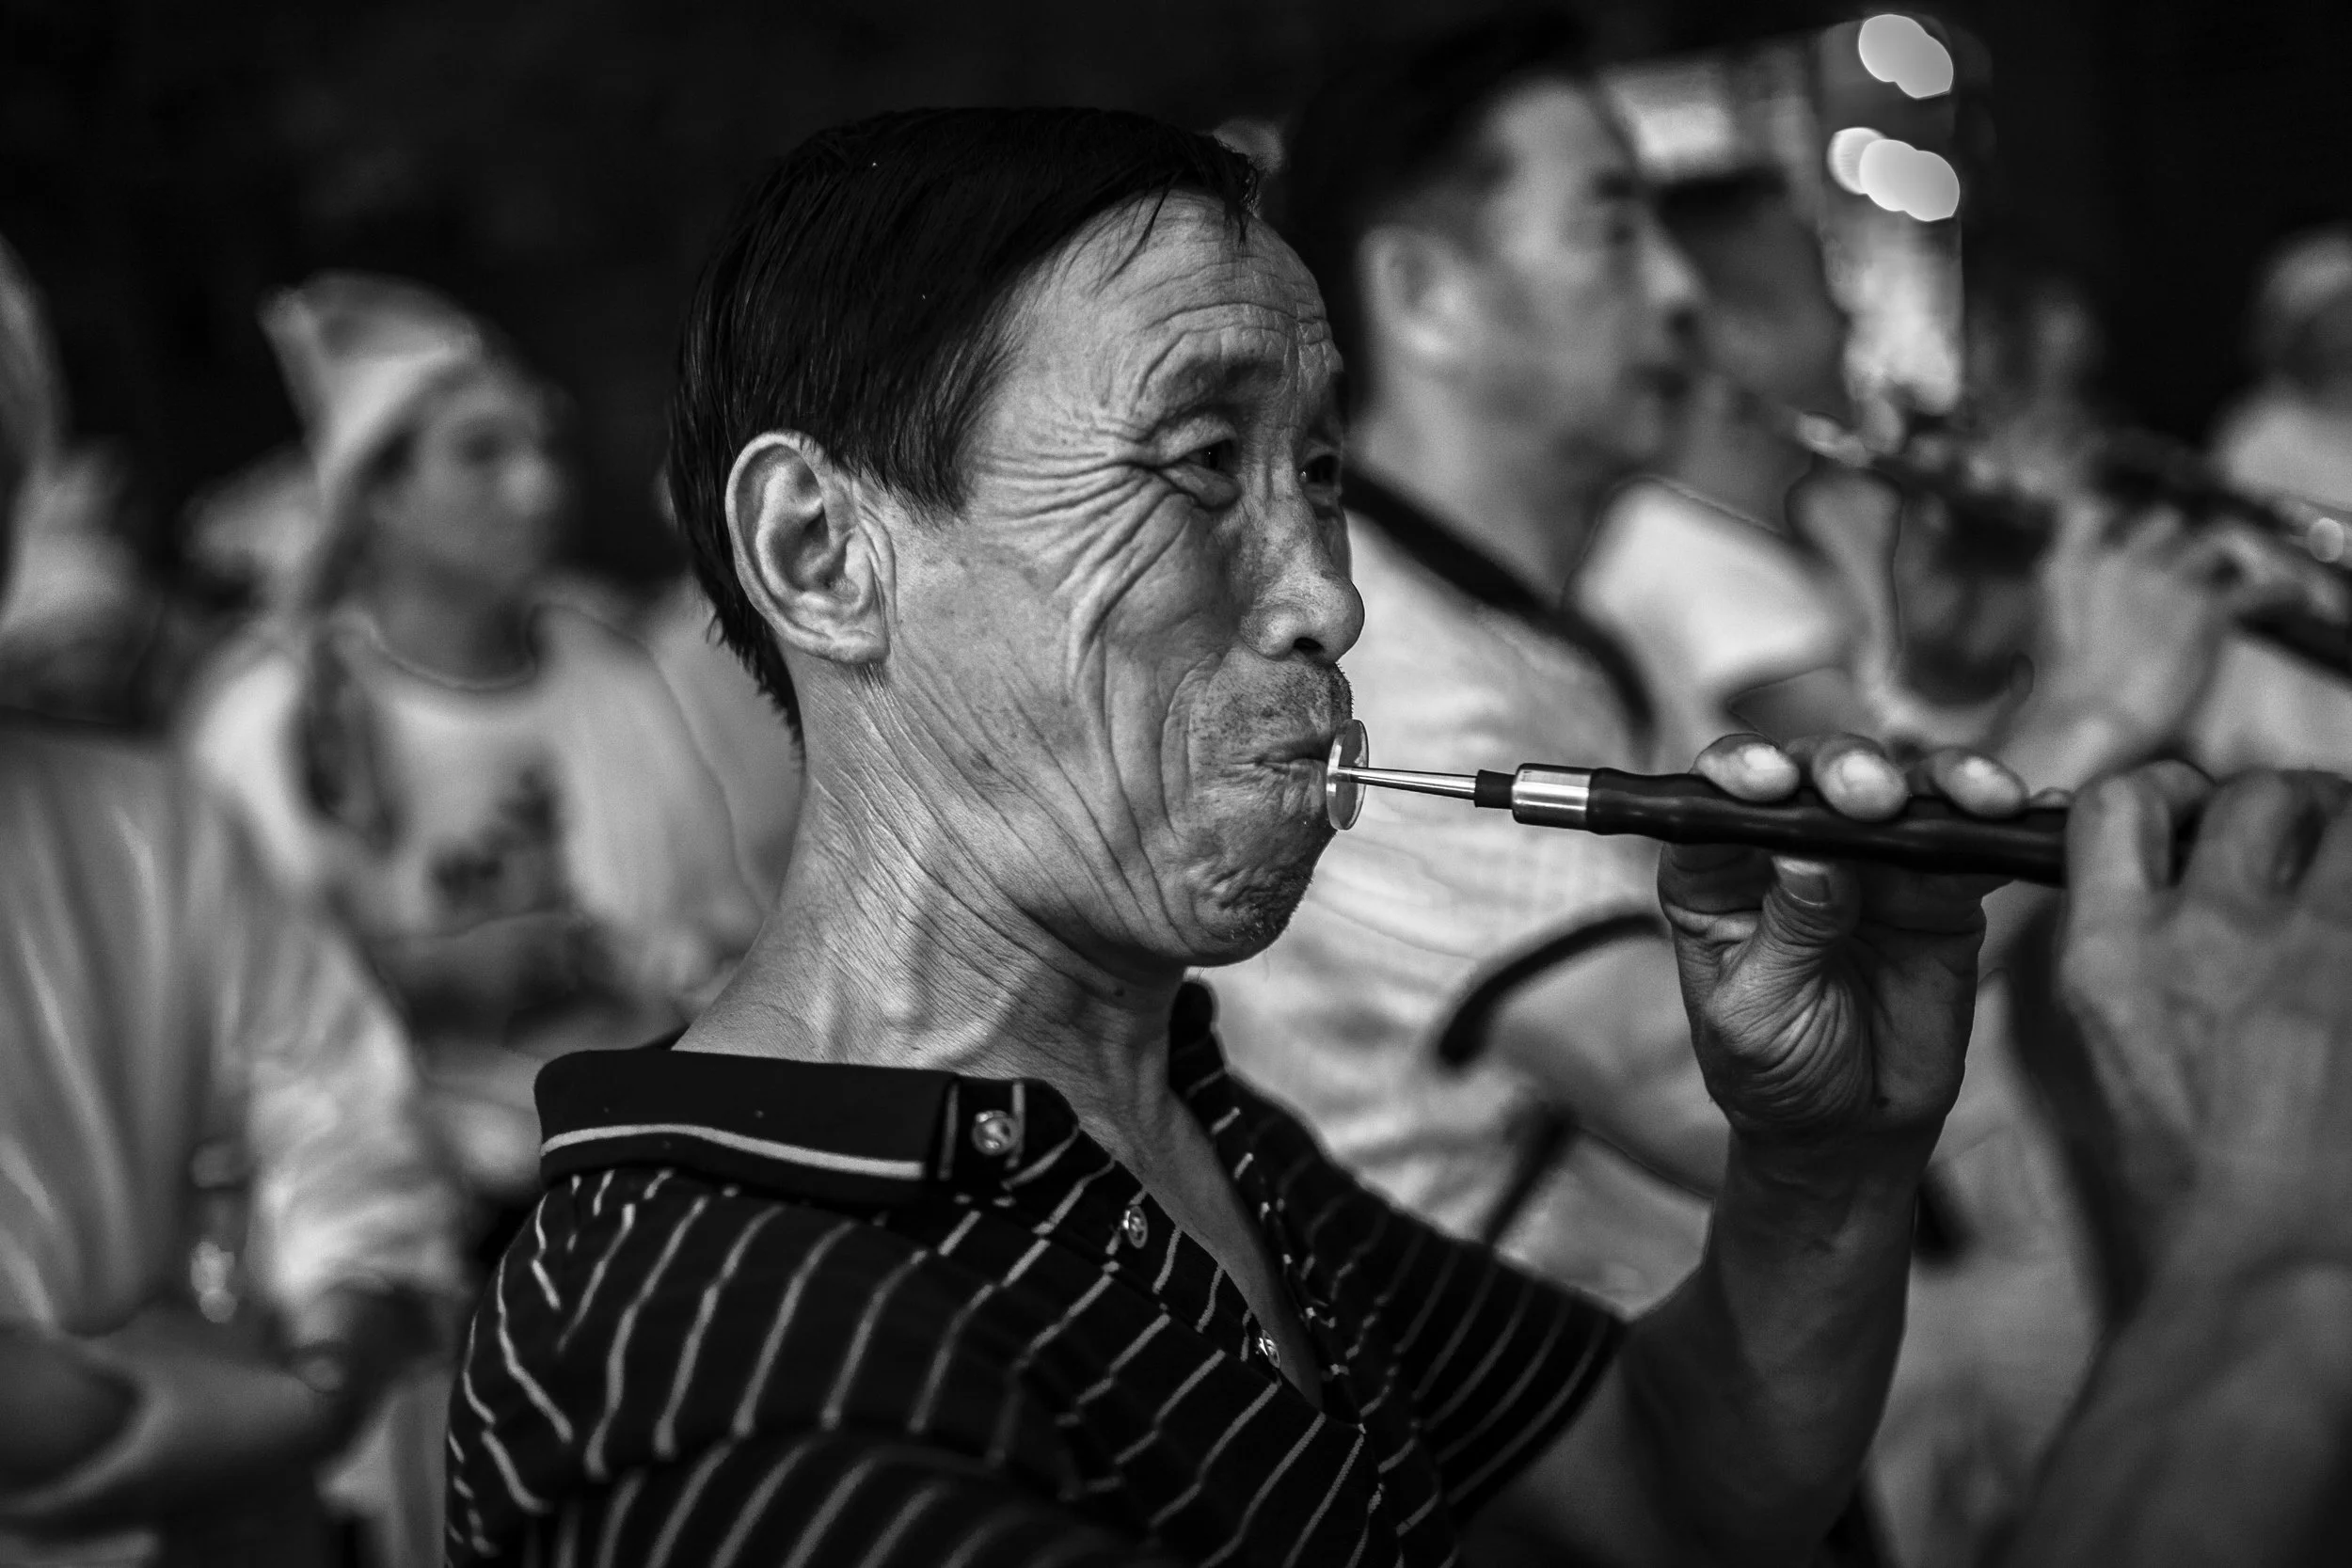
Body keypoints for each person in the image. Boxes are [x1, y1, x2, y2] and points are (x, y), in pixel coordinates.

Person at [447, 103, 2050, 1567]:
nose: (1326, 595)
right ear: (822, 553)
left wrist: (1825, 1164)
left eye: (1320, 468)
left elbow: (1667, 1481)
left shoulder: (1158, 1114)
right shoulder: (718, 1341)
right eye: (1202, 460)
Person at [0, 237, 463, 1568]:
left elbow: (337, 1093)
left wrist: (331, 1341)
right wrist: (241, 1413)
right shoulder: (254, 722)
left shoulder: (147, 819)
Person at [181, 274, 762, 1216]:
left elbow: (722, 931)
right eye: (481, 453)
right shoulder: (274, 722)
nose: (538, 487)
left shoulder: (608, 675)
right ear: (378, 495)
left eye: (543, 446)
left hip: (653, 1170)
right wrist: (438, 973)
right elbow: (238, 1022)